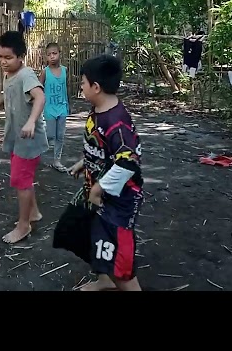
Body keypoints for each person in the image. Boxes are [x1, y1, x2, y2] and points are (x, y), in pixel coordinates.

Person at [66, 55, 144, 291]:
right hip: (98, 193)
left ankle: (121, 282)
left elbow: (127, 162)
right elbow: (103, 148)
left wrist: (99, 187)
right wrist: (86, 161)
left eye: (83, 82)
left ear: (96, 87)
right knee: (93, 236)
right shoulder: (98, 110)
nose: (80, 86)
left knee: (120, 260)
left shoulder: (116, 122)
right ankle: (104, 279)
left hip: (119, 202)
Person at [0, 31, 48, 244]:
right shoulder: (10, 75)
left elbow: (40, 97)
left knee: (20, 181)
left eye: (8, 57)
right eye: (0, 56)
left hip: (28, 139)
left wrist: (31, 121)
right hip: (16, 137)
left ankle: (24, 225)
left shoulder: (26, 75)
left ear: (21, 56)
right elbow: (5, 94)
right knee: (24, 179)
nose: (3, 61)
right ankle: (33, 213)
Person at [39, 42, 71, 172]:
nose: (52, 56)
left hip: (62, 107)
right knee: (50, 134)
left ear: (59, 54)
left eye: (54, 53)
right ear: (46, 57)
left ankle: (57, 160)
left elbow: (67, 88)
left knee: (60, 136)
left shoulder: (64, 70)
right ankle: (35, 151)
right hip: (49, 108)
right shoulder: (44, 72)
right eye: (49, 54)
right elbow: (38, 89)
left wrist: (69, 104)